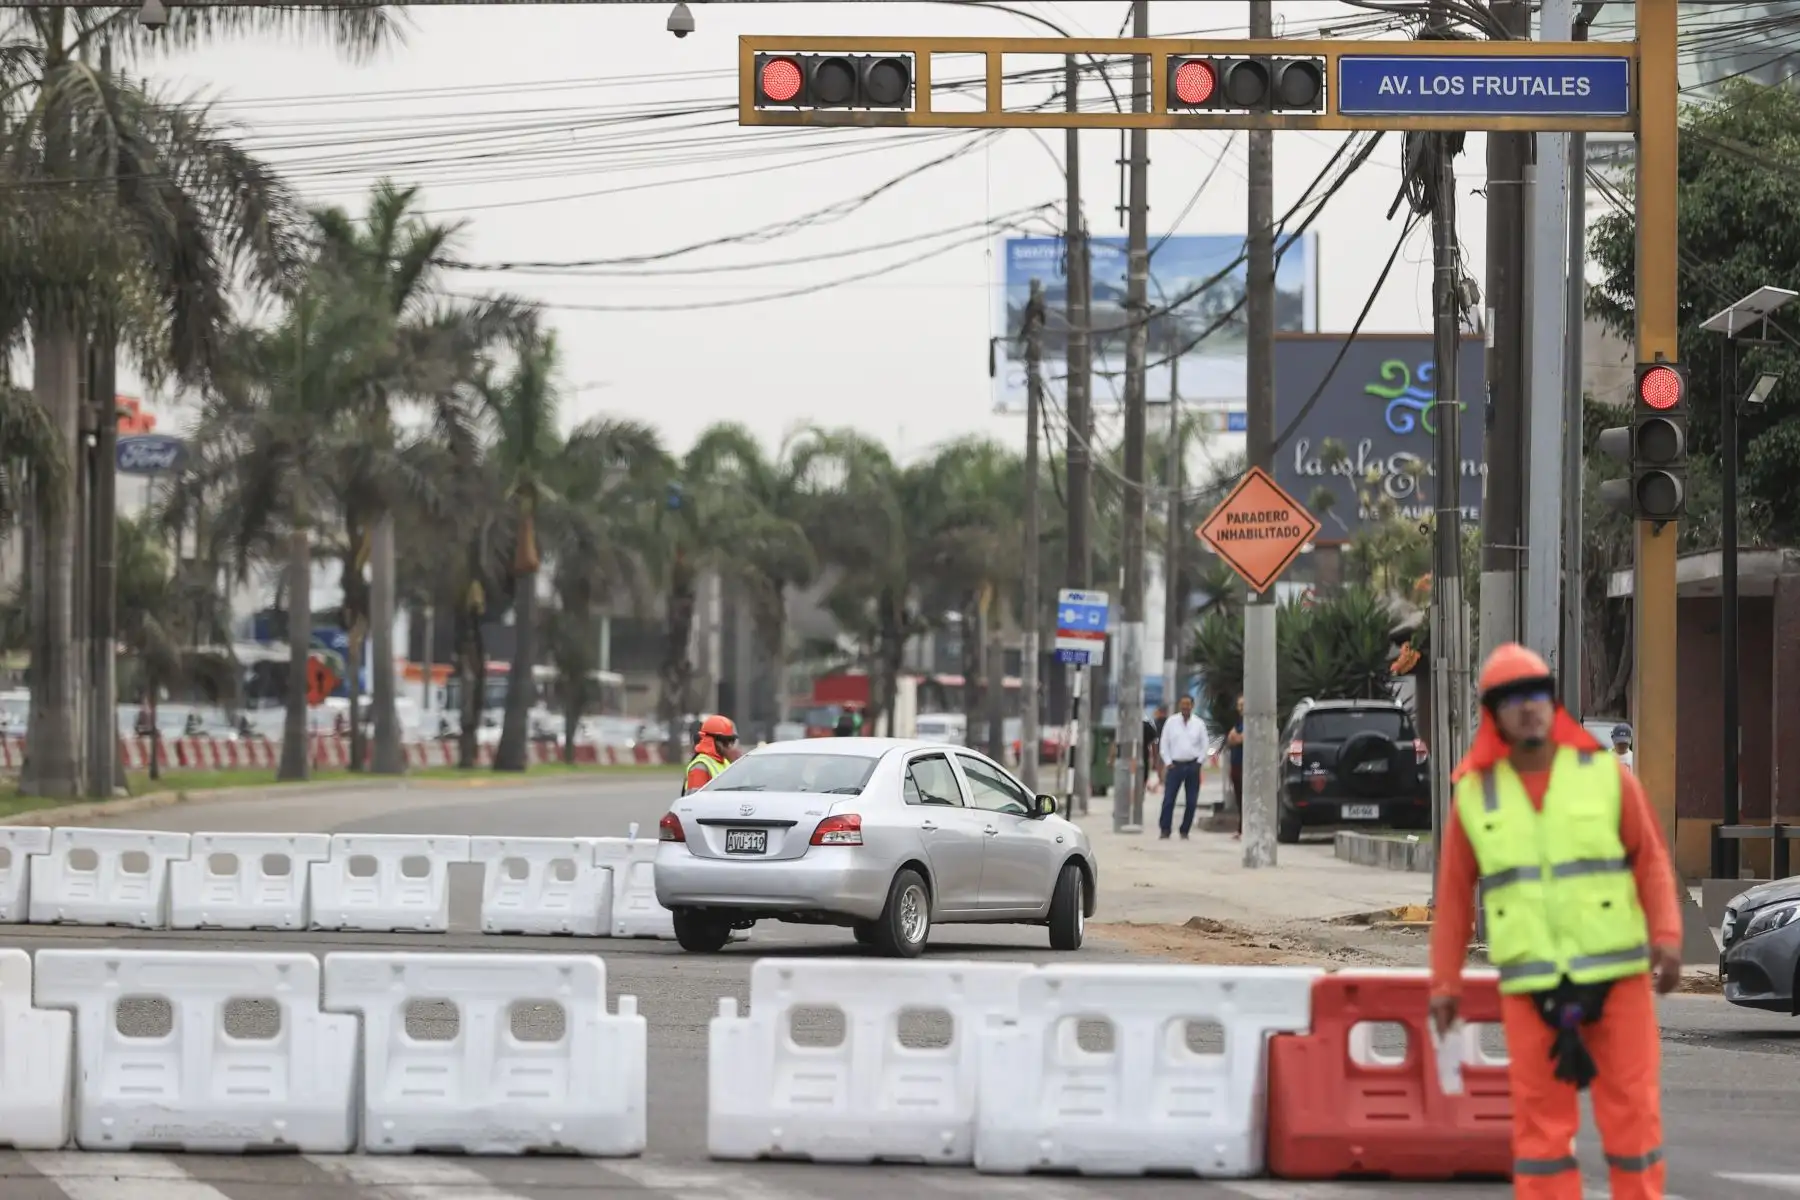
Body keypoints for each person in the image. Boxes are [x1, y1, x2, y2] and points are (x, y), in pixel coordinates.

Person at [1429, 643, 1680, 1200]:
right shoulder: (1475, 795)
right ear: (1492, 712)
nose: (1528, 706)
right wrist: (1444, 984)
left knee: (1633, 1123)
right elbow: (1451, 898)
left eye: (1538, 693)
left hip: (1618, 982)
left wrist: (1666, 935)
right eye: (1512, 698)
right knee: (1541, 1139)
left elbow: (1651, 859)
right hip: (1532, 992)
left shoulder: (1602, 773)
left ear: (1553, 701)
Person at [1157, 694, 1209, 840]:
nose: (1185, 707)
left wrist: (1199, 762)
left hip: (1193, 765)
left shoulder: (1199, 724)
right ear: (1179, 706)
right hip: (1175, 766)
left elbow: (1205, 745)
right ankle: (1165, 829)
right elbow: (1164, 744)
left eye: (1188, 704)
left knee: (1191, 801)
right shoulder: (1171, 722)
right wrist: (1168, 762)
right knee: (1168, 799)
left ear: (1192, 706)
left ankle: (1185, 830)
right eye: (1183, 704)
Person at [682, 714, 739, 795]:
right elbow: (695, 802)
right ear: (712, 741)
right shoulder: (700, 766)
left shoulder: (725, 762)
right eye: (726, 741)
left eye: (732, 740)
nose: (730, 746)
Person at [1227, 695, 1246, 841]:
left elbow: (1242, 738)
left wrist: (1237, 738)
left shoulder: (1251, 722)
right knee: (1239, 798)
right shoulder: (1239, 723)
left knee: (1247, 798)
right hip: (1236, 764)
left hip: (1247, 766)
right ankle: (1241, 828)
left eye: (1243, 705)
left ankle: (1246, 828)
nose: (1241, 708)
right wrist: (1236, 738)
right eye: (1239, 705)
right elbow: (1230, 738)